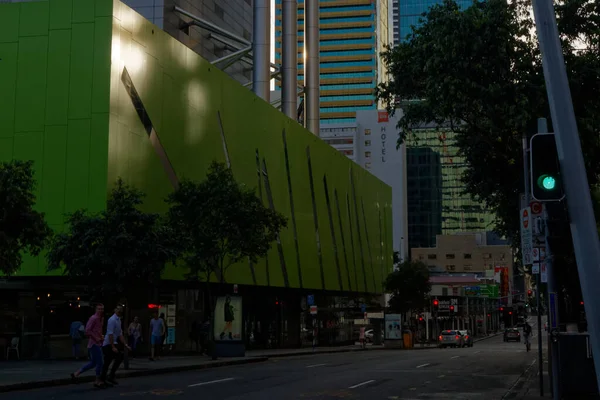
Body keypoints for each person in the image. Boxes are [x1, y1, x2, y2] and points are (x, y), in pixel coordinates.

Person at [70, 304, 105, 388]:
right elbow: (87, 331)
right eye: (99, 309)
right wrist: (96, 338)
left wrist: (100, 337)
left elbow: (97, 330)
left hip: (97, 343)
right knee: (100, 362)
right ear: (96, 309)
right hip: (94, 344)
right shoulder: (93, 318)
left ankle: (76, 374)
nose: (100, 310)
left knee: (93, 363)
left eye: (102, 309)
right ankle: (97, 381)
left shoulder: (100, 319)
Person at [101, 305, 130, 386]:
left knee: (117, 358)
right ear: (114, 310)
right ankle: (104, 378)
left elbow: (120, 334)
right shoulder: (112, 320)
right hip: (108, 343)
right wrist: (113, 346)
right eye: (118, 309)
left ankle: (109, 376)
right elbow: (110, 334)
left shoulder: (118, 320)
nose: (119, 310)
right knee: (108, 361)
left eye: (121, 309)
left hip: (113, 343)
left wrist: (125, 344)